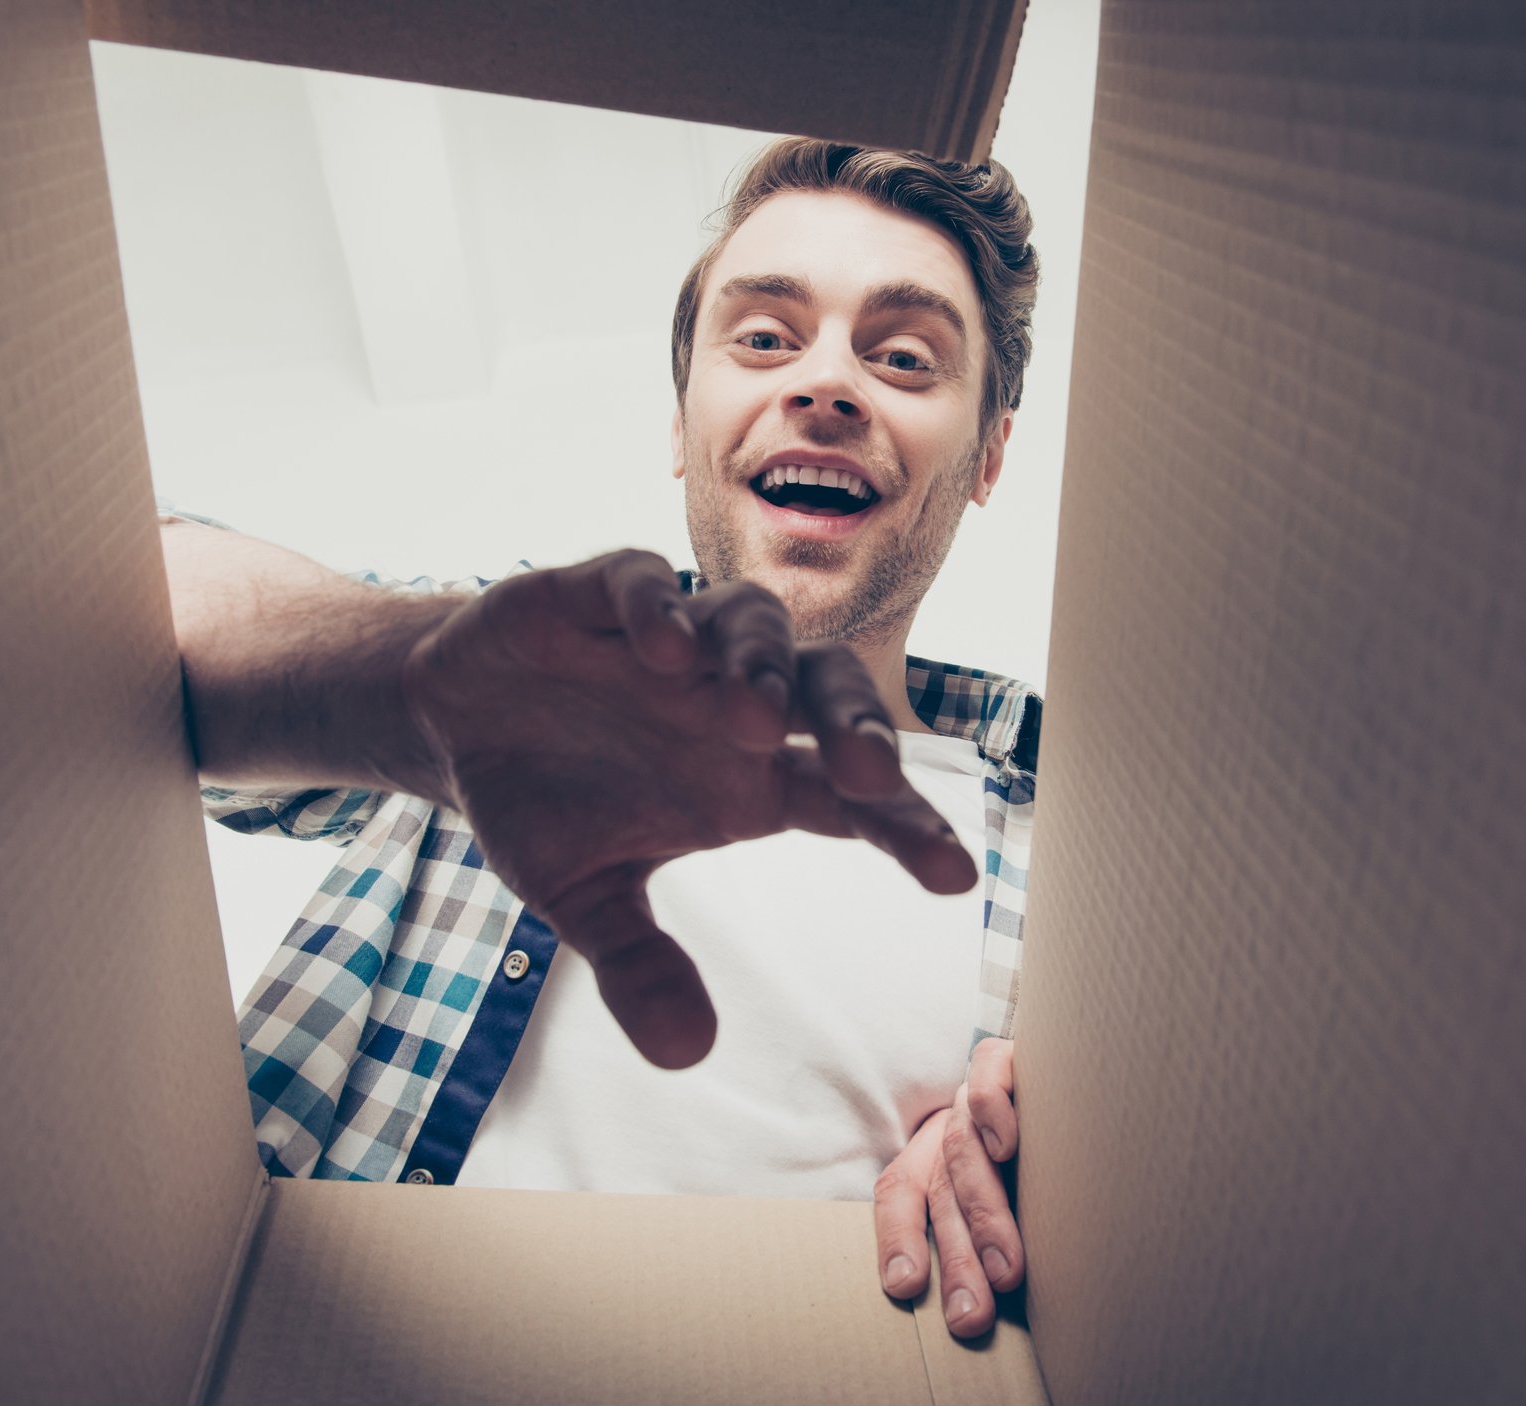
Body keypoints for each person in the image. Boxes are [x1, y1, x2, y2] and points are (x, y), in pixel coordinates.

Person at [162, 139, 1043, 1338]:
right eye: (765, 338)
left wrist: (1043, 1153)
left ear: (987, 453)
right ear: (683, 425)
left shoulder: (1086, 843)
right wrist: (407, 688)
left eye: (902, 356)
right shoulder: (503, 664)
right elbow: (114, 594)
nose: (825, 385)